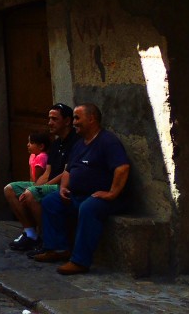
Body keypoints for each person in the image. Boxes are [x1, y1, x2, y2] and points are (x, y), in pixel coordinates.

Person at [33, 103, 130, 275]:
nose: (75, 122)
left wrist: (112, 193)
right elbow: (69, 169)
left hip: (103, 198)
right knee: (50, 201)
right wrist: (63, 187)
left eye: (78, 118)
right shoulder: (79, 144)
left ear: (91, 119)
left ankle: (80, 261)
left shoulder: (108, 141)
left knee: (88, 208)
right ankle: (57, 248)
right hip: (78, 194)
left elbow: (122, 168)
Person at [5, 103, 78, 252]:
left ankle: (47, 239)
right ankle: (31, 234)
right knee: (10, 189)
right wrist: (36, 186)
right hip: (49, 183)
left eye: (54, 119)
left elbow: (65, 173)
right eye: (49, 118)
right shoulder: (56, 143)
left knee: (31, 195)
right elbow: (47, 172)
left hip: (63, 185)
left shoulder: (75, 142)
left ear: (67, 121)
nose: (49, 123)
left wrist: (37, 189)